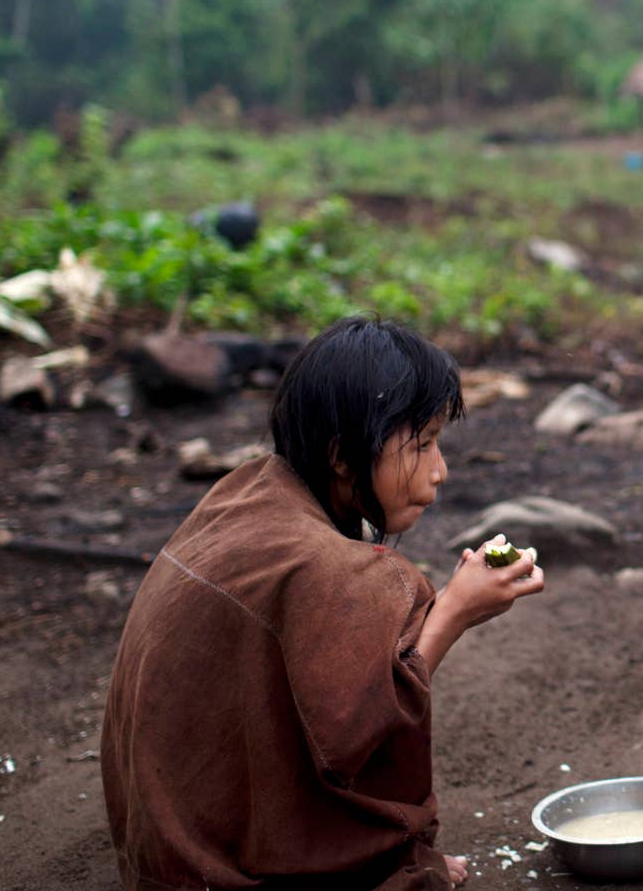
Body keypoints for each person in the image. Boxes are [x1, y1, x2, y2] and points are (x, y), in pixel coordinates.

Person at [102, 316, 546, 890]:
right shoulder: (329, 569)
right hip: (209, 869)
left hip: (159, 840)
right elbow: (358, 739)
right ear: (341, 456)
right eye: (424, 444)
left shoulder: (247, 491)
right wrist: (455, 612)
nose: (441, 470)